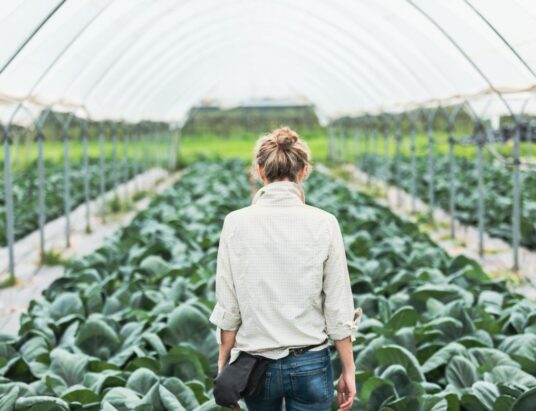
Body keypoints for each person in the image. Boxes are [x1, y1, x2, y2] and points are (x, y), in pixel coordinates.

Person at [209, 126, 362, 411]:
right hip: (310, 364)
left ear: (259, 171)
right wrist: (348, 369)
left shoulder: (235, 222)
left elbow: (229, 308)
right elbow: (339, 307)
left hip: (255, 366)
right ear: (303, 171)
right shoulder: (325, 222)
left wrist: (224, 365)